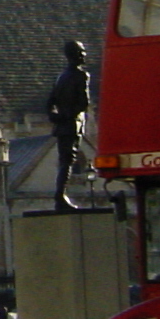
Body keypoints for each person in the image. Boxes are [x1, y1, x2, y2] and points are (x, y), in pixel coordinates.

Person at [46, 38, 93, 211]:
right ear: (75, 55)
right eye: (81, 52)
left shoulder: (61, 77)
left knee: (64, 161)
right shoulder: (81, 75)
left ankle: (60, 196)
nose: (84, 55)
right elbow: (84, 103)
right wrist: (69, 116)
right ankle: (60, 197)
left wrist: (54, 116)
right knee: (67, 162)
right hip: (72, 124)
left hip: (61, 126)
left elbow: (50, 102)